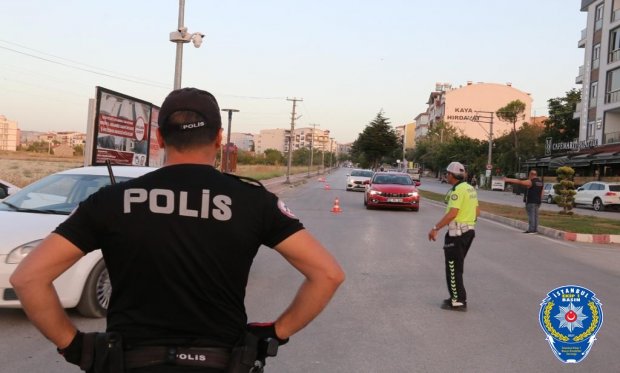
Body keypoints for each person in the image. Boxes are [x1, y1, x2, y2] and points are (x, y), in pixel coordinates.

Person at [10, 87, 345, 373]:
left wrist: (73, 346)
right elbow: (328, 274)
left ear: (159, 137)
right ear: (218, 137)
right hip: (221, 361)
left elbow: (28, 278)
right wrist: (274, 333)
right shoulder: (253, 201)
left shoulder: (111, 201)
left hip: (129, 361)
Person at [428, 162, 479, 312]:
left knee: (453, 268)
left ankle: (458, 301)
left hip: (457, 234)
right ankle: (456, 297)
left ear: (451, 175)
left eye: (447, 173)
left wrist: (435, 228)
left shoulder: (457, 191)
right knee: (457, 267)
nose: (446, 176)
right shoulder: (470, 189)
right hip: (469, 232)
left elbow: (452, 213)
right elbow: (477, 212)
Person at [504, 170, 544, 234]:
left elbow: (519, 182)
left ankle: (531, 230)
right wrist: (540, 200)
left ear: (531, 175)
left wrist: (508, 179)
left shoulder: (531, 181)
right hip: (538, 202)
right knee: (536, 216)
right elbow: (542, 193)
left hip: (531, 201)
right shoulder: (540, 182)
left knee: (531, 216)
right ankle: (535, 230)